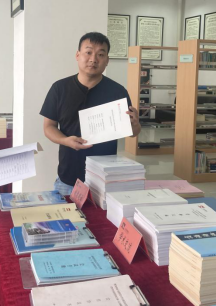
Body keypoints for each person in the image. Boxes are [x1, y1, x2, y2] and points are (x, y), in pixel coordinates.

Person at [41, 32, 142, 196]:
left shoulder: (118, 92)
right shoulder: (59, 89)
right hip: (68, 178)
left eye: (101, 54)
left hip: (105, 180)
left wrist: (135, 125)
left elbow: (132, 132)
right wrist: (66, 141)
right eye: (88, 52)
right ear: (77, 55)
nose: (93, 59)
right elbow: (48, 127)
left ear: (107, 60)